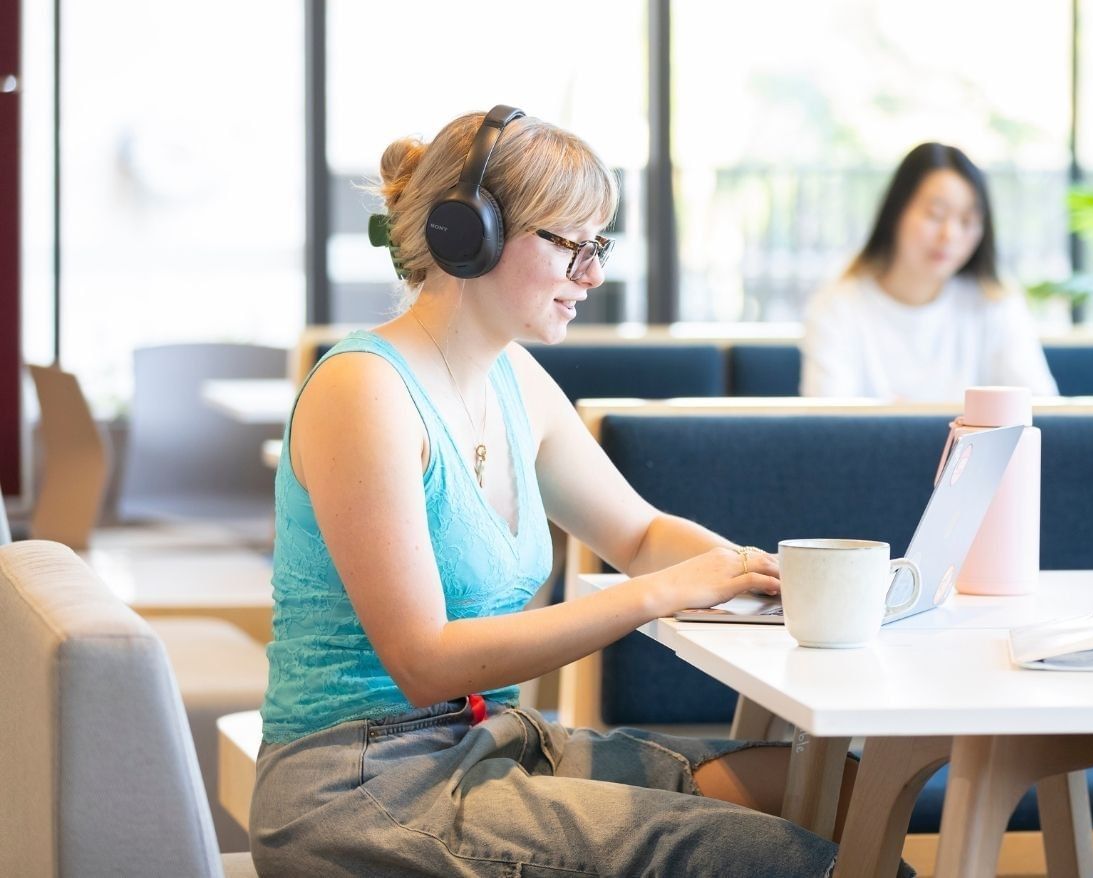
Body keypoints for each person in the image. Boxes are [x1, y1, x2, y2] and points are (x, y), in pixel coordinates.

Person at [250, 106, 878, 877]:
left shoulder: (513, 378)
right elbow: (424, 661)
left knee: (845, 789)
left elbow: (640, 537)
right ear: (467, 234)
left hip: (492, 742)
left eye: (599, 245)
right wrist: (653, 595)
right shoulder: (365, 390)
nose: (594, 274)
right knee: (778, 858)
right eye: (570, 244)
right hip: (364, 783)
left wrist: (757, 575)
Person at [801, 142, 1059, 401]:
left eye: (967, 221)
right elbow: (826, 426)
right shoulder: (838, 306)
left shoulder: (994, 304)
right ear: (895, 213)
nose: (950, 235)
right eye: (935, 215)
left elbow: (1041, 408)